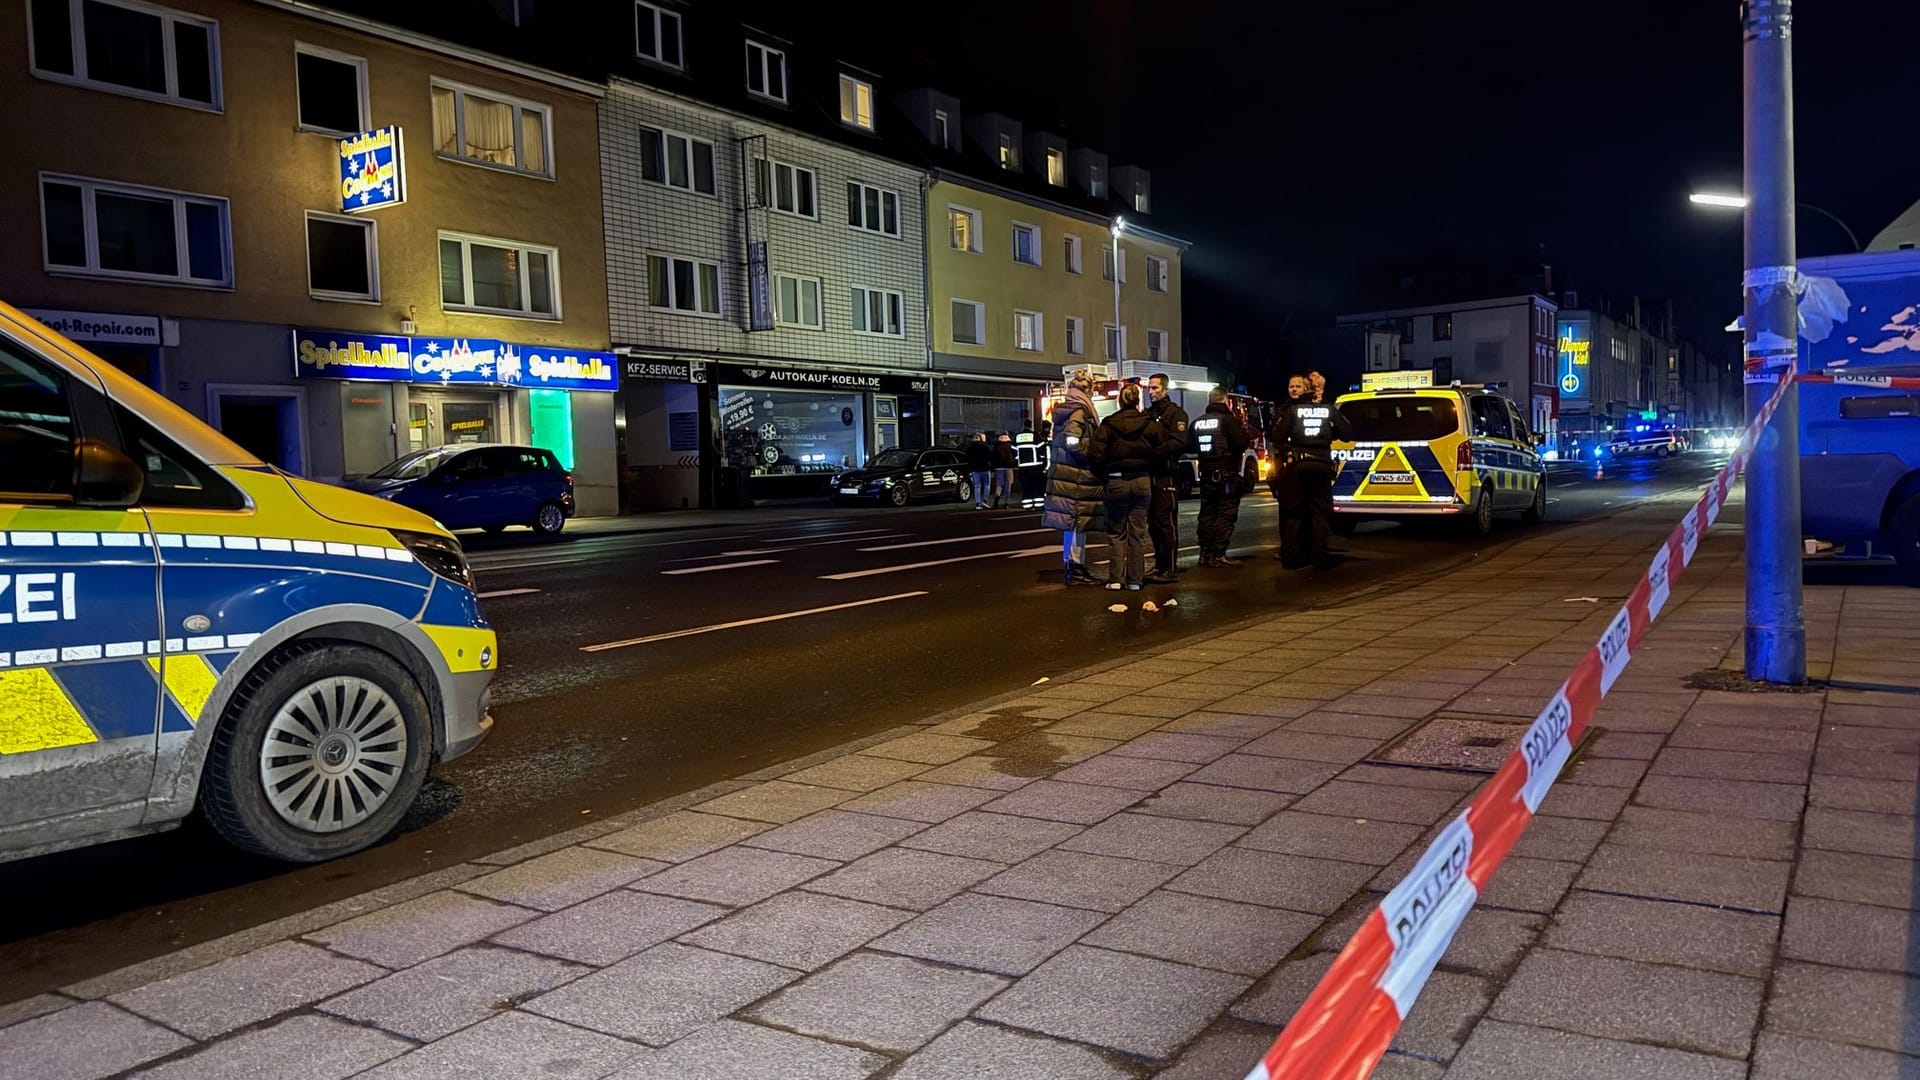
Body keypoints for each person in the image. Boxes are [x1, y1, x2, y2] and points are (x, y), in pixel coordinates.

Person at [1271, 373, 1353, 570]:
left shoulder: (1292, 411)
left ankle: (1290, 559)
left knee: (1294, 512)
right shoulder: (1328, 410)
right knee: (1320, 514)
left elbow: (1277, 435)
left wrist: (1288, 449)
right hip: (1322, 465)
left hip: (1298, 465)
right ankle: (1320, 558)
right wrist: (1329, 433)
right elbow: (1348, 433)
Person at [1089, 382, 1167, 591]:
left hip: (1116, 481)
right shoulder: (1150, 424)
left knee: (1116, 532)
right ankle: (1135, 580)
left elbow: (1095, 455)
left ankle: (1116, 579)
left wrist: (1104, 476)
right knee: (1137, 532)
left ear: (1120, 400)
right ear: (1137, 400)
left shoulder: (1108, 425)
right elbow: (1162, 450)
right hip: (1142, 480)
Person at [1043, 372, 1104, 585]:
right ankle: (1076, 569)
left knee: (1072, 524)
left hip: (1067, 474)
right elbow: (1072, 441)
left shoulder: (1067, 409)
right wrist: (1091, 455)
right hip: (1076, 475)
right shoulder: (1080, 411)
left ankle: (1072, 566)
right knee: (1078, 524)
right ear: (1087, 390)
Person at [1192, 386, 1251, 567]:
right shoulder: (1229, 421)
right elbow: (1242, 442)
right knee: (1225, 514)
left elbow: (1189, 445)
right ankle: (1219, 554)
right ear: (1225, 400)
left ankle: (1205, 553)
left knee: (1207, 514)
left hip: (1206, 475)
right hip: (1226, 474)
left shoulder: (1198, 422)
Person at [1143, 372, 1189, 583]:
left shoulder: (1176, 414)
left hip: (1167, 474)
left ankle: (1169, 567)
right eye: (1149, 388)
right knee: (1152, 522)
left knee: (1166, 521)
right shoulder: (1148, 413)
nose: (1151, 392)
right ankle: (1160, 565)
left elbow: (1179, 442)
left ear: (1165, 389)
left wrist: (1156, 451)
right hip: (1150, 473)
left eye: (1155, 388)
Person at [964, 432, 992, 510]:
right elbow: (990, 456)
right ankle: (985, 501)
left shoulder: (970, 447)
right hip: (985, 468)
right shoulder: (985, 446)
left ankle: (977, 504)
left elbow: (967, 457)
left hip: (975, 469)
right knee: (987, 485)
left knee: (977, 486)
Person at [990, 433, 1017, 509]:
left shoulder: (997, 446)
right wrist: (1014, 463)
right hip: (1008, 467)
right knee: (1008, 485)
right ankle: (1006, 503)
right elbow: (1016, 454)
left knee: (999, 485)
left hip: (998, 468)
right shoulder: (1010, 445)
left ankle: (996, 502)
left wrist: (992, 470)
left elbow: (993, 459)